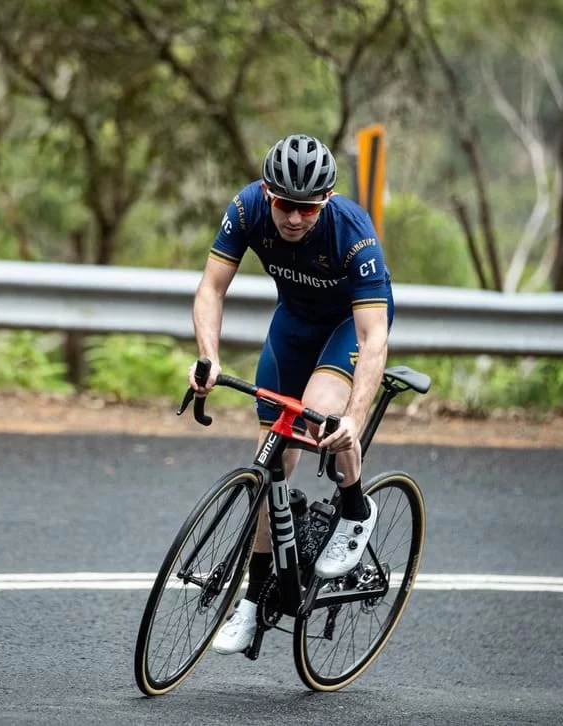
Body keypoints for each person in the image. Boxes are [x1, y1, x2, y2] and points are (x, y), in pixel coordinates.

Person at [187, 133, 394, 655]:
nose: (295, 218)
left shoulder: (354, 233)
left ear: (324, 201)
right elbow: (211, 288)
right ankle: (254, 603)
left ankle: (355, 508)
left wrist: (354, 415)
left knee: (320, 415)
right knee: (271, 462)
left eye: (306, 207)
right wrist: (207, 358)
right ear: (267, 192)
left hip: (348, 329)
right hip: (294, 328)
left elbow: (374, 338)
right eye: (285, 204)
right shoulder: (248, 207)